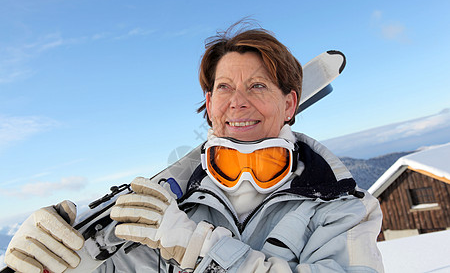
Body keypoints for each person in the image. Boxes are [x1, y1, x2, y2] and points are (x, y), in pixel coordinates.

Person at [5, 23, 384, 273]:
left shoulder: (344, 207)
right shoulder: (171, 208)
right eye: (224, 87)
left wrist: (201, 247)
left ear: (289, 104)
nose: (237, 102)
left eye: (257, 86)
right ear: (209, 105)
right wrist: (64, 262)